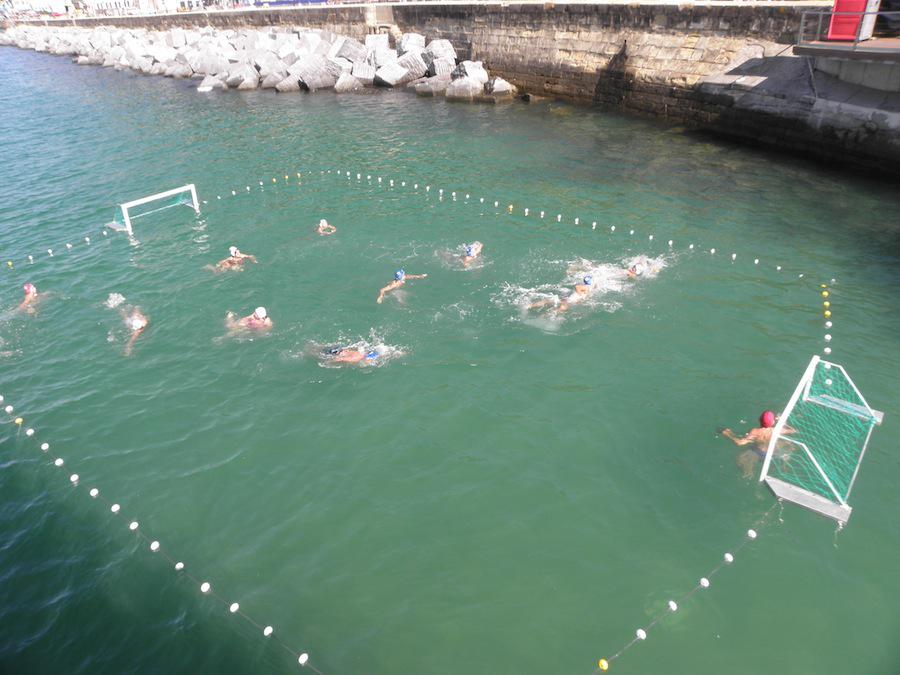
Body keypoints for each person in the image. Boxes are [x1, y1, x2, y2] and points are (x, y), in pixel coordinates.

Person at [721, 410, 796, 478]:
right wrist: (782, 422)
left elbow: (740, 443)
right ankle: (785, 468)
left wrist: (729, 434)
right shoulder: (777, 430)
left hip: (758, 452)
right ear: (773, 422)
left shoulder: (755, 431)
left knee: (741, 459)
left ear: (759, 419)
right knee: (787, 444)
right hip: (773, 452)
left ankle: (749, 473)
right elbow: (793, 431)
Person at [529, 275, 594, 313]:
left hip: (568, 300)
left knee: (549, 302)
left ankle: (530, 306)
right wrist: (580, 294)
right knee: (560, 309)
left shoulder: (587, 288)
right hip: (568, 301)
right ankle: (544, 316)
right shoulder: (586, 287)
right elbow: (577, 287)